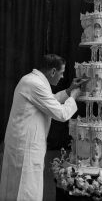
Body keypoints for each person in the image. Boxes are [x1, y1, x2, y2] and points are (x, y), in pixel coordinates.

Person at [0, 54, 83, 201]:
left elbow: (50, 101)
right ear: (52, 71)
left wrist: (69, 90)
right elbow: (62, 113)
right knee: (25, 191)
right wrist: (73, 97)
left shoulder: (33, 80)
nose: (62, 76)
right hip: (25, 148)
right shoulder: (34, 83)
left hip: (24, 146)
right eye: (61, 73)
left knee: (22, 189)